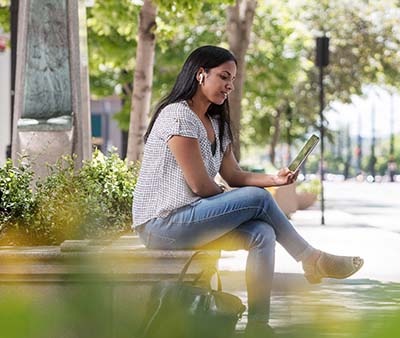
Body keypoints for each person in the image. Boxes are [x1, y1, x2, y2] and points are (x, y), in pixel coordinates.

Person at [132, 45, 363, 337]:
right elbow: (200, 185)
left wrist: (275, 179)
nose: (229, 86)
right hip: (160, 224)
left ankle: (258, 326)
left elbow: (233, 175)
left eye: (232, 80)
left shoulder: (217, 122)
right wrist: (240, 204)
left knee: (262, 234)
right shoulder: (177, 116)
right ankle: (310, 258)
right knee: (257, 200)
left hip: (191, 219)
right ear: (201, 74)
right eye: (224, 77)